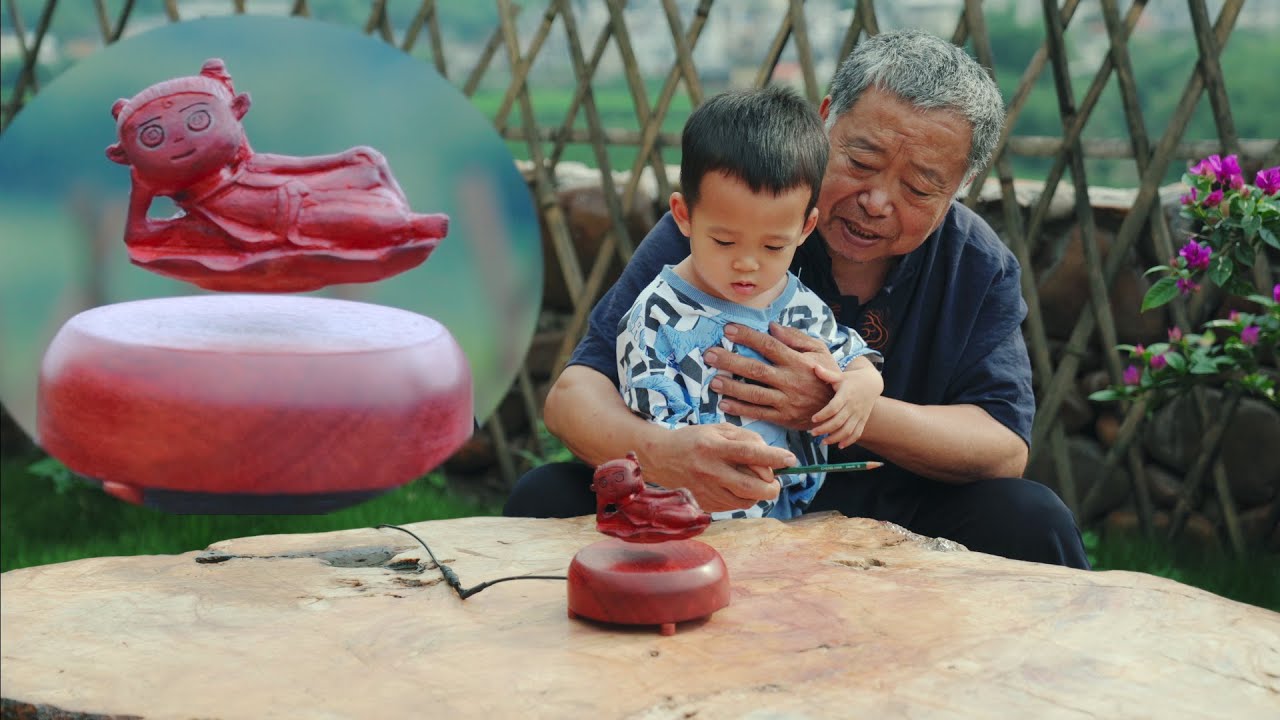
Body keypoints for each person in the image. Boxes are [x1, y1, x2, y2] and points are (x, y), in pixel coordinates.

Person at [506, 29, 1090, 569]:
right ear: (825, 121)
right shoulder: (729, 228)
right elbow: (572, 396)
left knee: (1031, 519)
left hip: (902, 510)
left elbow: (1001, 446)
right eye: (860, 162)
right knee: (545, 497)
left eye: (918, 187)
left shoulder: (976, 264)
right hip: (711, 499)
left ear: (962, 185)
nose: (877, 201)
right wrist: (664, 452)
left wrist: (836, 405)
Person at [617, 86, 883, 521]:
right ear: (684, 216)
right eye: (723, 240)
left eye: (774, 246)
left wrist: (861, 386)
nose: (747, 264)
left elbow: (850, 356)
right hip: (692, 516)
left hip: (786, 516)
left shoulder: (798, 304)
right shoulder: (656, 317)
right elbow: (656, 435)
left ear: (805, 227)